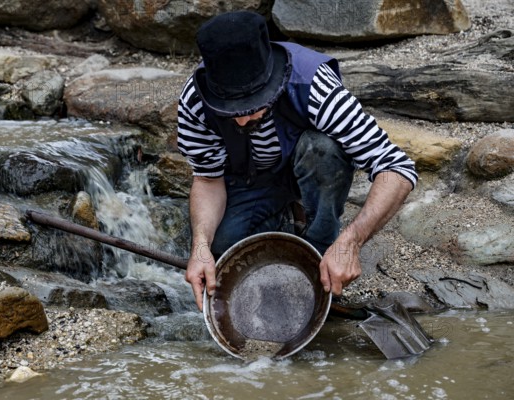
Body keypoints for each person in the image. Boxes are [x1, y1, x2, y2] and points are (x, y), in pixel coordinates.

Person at [177, 11, 417, 311]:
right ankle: (282, 218)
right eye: (230, 109)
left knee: (323, 149)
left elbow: (397, 167)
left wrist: (351, 241)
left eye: (253, 105)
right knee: (225, 254)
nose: (241, 119)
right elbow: (207, 179)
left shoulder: (313, 84)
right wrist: (199, 248)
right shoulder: (195, 103)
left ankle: (319, 244)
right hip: (248, 179)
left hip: (310, 164)